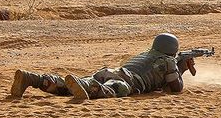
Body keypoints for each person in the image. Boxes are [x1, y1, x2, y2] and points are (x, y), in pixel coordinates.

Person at [10, 33, 194, 101]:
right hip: (126, 80)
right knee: (113, 90)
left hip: (109, 71)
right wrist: (182, 68)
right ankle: (86, 88)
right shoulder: (168, 61)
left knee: (70, 86)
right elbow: (175, 88)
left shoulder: (146, 54)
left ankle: (33, 78)